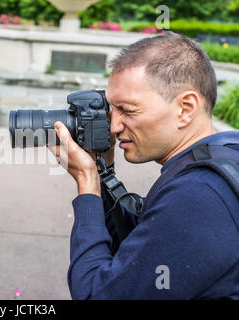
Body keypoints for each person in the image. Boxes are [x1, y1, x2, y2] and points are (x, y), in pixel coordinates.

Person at [48, 32, 239, 299]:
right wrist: (103, 172)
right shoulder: (225, 154)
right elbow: (136, 250)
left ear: (186, 108)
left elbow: (95, 294)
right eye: (113, 110)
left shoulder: (199, 196)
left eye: (128, 110)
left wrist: (87, 184)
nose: (115, 126)